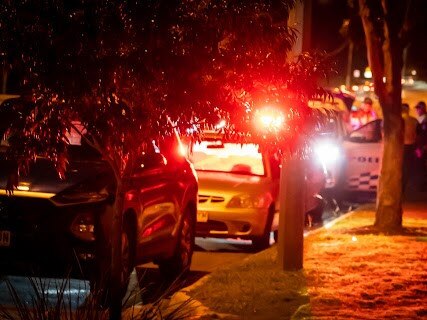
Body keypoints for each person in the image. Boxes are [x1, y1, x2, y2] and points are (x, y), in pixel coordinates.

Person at [401, 103, 418, 193]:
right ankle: (406, 186)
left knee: (401, 167)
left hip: (401, 147)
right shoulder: (414, 120)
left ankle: (402, 187)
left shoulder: (399, 120)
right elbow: (419, 134)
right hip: (411, 146)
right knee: (408, 167)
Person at [415, 101, 427, 190]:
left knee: (423, 165)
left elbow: (424, 134)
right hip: (420, 145)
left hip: (423, 146)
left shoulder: (425, 119)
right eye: (417, 108)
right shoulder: (419, 119)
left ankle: (423, 185)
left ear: (423, 108)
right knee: (421, 165)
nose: (417, 110)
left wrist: (424, 146)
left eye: (419, 108)